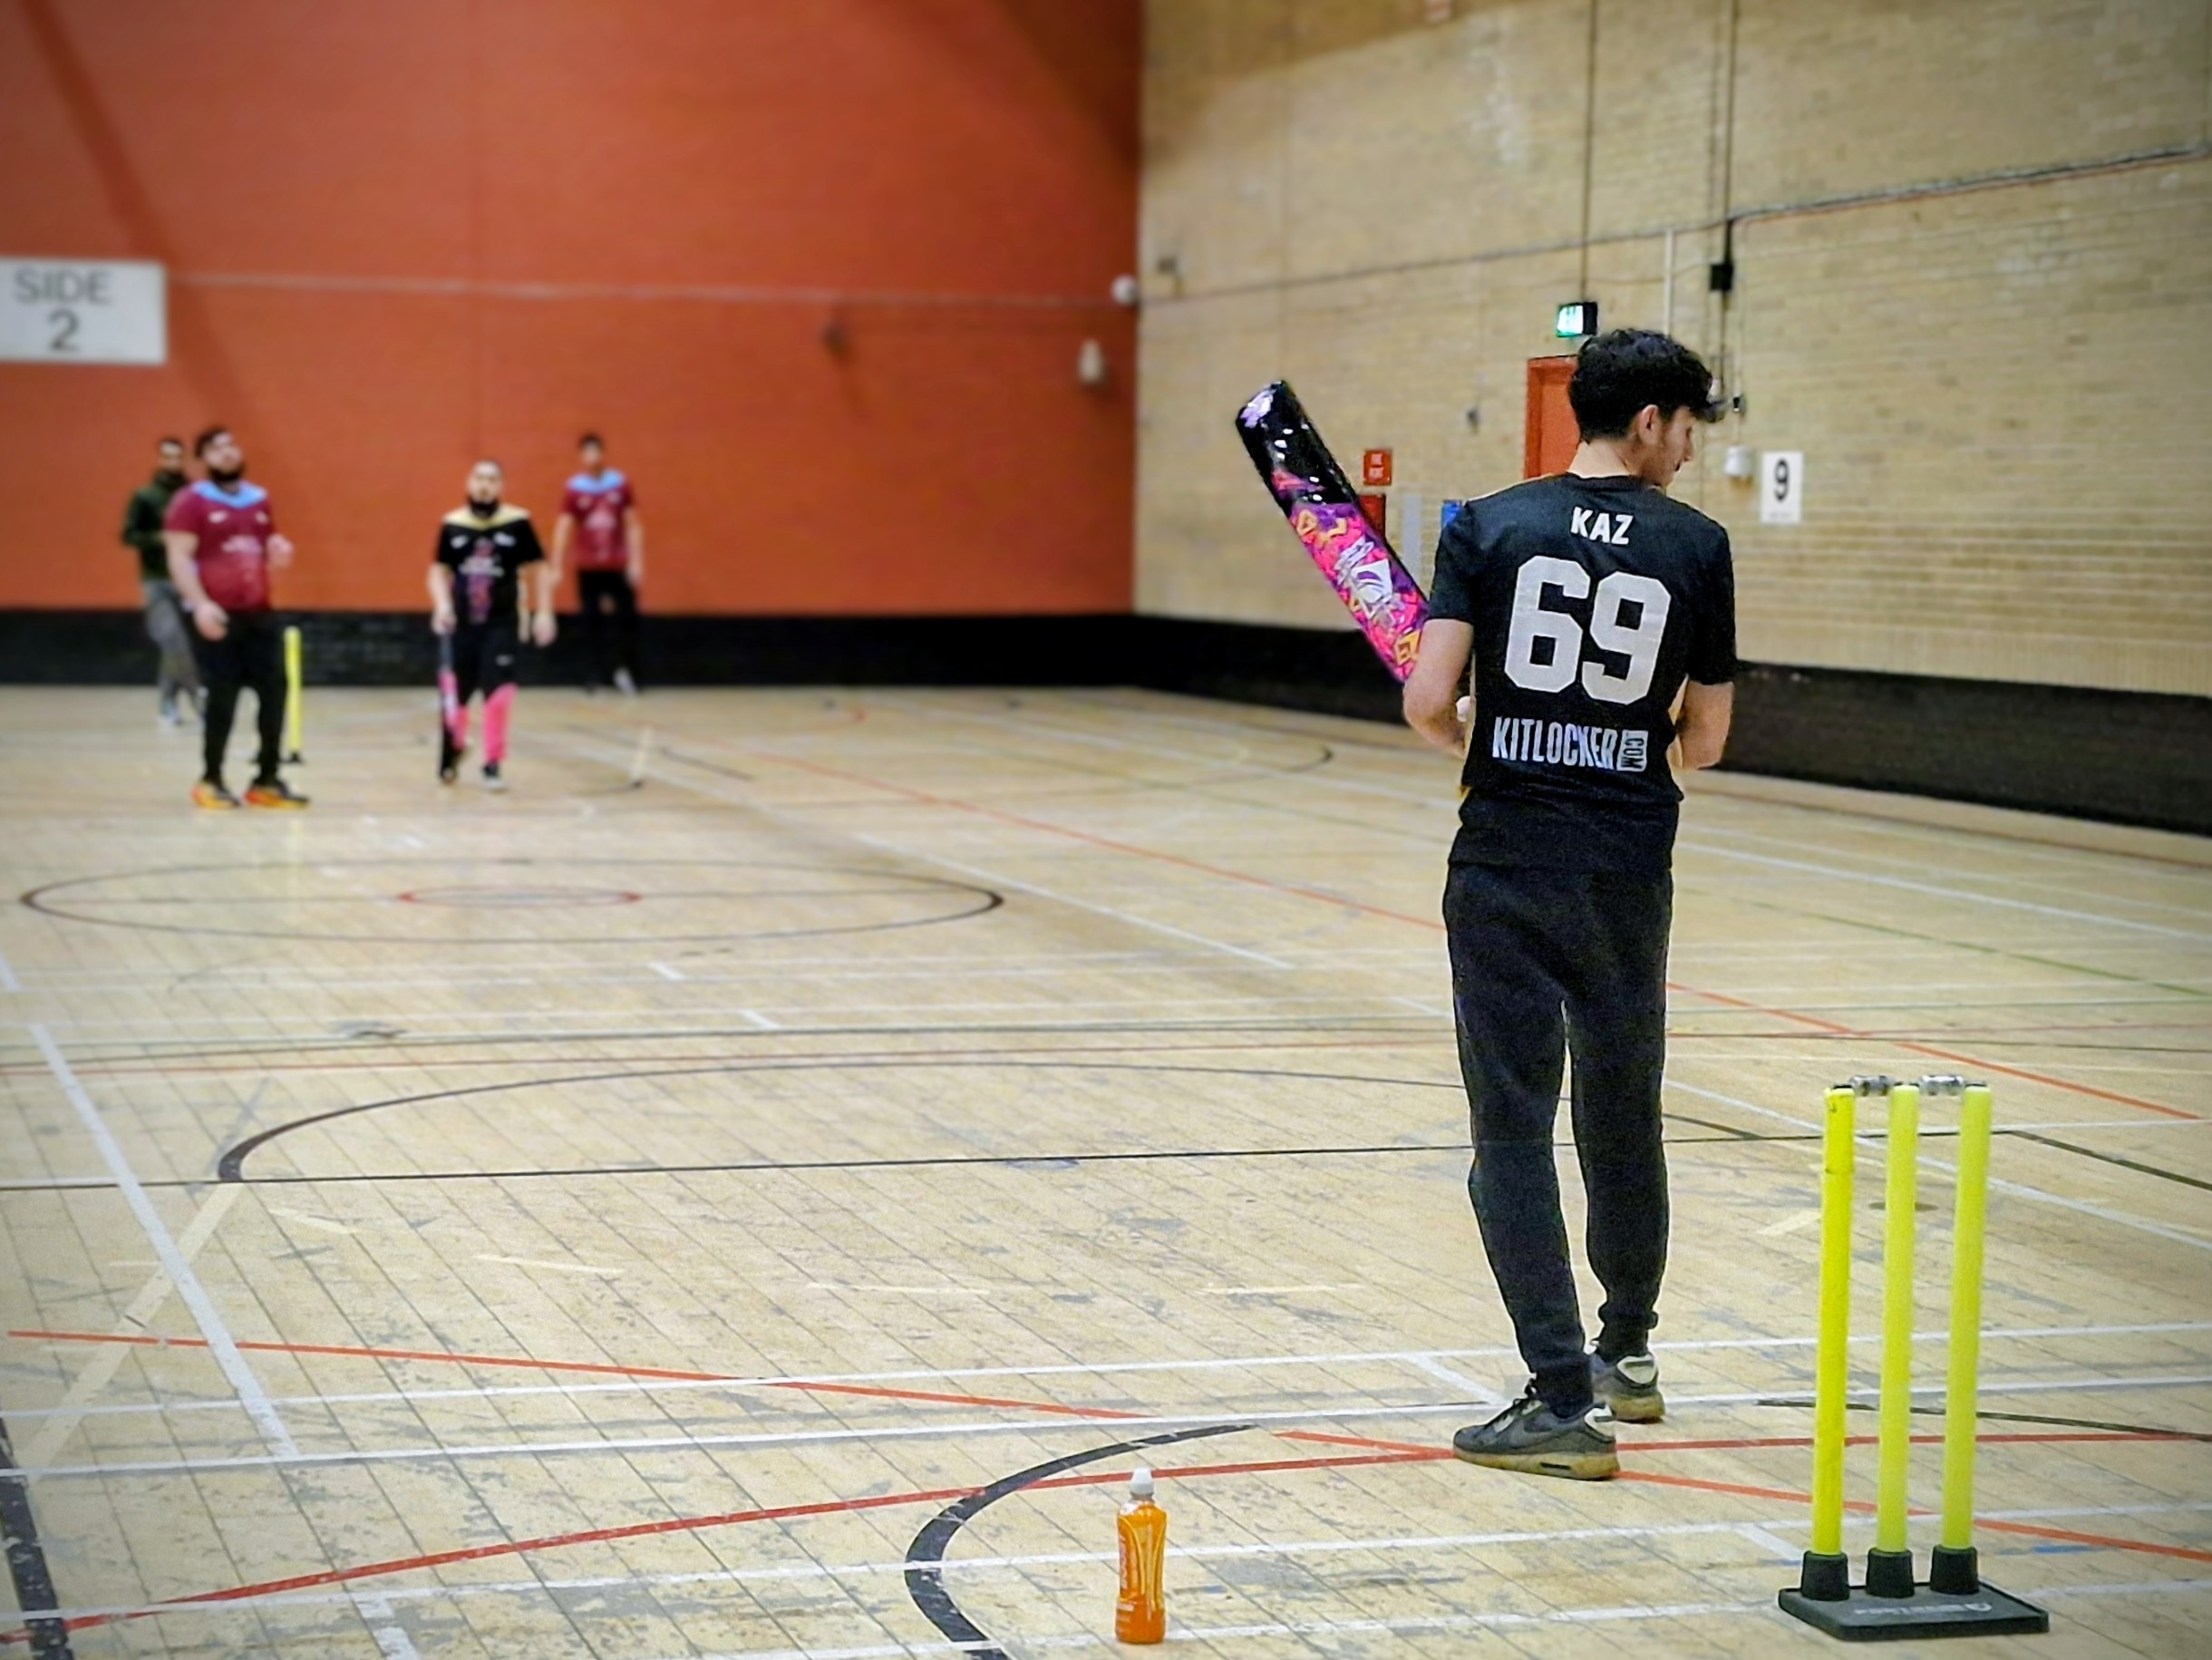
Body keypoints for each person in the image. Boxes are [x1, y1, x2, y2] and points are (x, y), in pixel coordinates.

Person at [1401, 329, 1736, 1480]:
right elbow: (1710, 739)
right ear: (1647, 421)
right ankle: (1626, 1355)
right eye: (1689, 427)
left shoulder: (1487, 525)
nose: (1690, 451)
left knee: (1509, 1127)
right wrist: (1621, 754)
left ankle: (1555, 1399)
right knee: (1621, 1104)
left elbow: (1427, 697)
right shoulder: (1699, 547)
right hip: (1627, 866)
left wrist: (1474, 734)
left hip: (1504, 861)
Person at [165, 426, 309, 810]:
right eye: (216, 449)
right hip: (218, 615)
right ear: (204, 459)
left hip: (258, 614)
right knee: (222, 697)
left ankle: (267, 778)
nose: (226, 453)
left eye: (230, 446)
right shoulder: (190, 502)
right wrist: (200, 604)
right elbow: (179, 558)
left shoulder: (259, 499)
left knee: (275, 692)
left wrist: (279, 552)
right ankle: (210, 778)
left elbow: (267, 548)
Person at [431, 460, 555, 791]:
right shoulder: (453, 525)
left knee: (498, 694)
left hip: (502, 623)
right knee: (454, 695)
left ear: (501, 486)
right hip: (463, 625)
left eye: (492, 479)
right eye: (479, 479)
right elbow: (438, 571)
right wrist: (442, 606)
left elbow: (541, 567)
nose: (485, 485)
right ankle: (451, 754)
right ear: (469, 483)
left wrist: (544, 612)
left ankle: (493, 764)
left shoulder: (518, 523)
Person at [551, 432, 644, 694]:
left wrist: (636, 562)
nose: (592, 457)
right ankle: (594, 675)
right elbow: (563, 527)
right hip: (589, 567)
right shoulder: (575, 489)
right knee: (590, 621)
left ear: (603, 454)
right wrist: (557, 565)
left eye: (596, 452)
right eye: (587, 453)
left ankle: (626, 672)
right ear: (582, 456)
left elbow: (633, 524)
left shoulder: (619, 485)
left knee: (627, 620)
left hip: (617, 565)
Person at [121, 435, 202, 725]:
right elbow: (128, 535)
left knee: (182, 644)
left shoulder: (195, 495)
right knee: (171, 639)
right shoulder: (145, 497)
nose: (173, 463)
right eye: (167, 457)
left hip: (190, 579)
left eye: (178, 457)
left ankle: (168, 702)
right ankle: (198, 696)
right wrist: (161, 539)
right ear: (159, 459)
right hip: (156, 579)